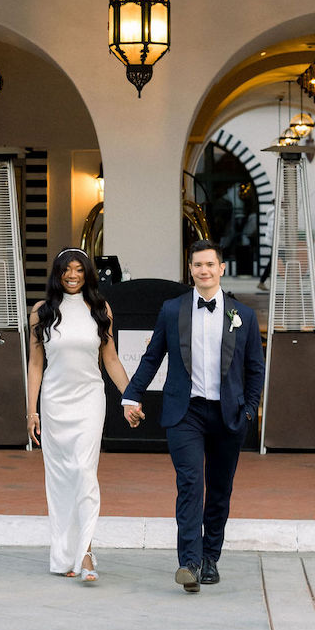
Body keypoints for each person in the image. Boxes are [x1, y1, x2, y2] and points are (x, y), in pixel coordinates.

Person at [122, 239, 265, 593]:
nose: (203, 270)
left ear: (221, 269)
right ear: (190, 269)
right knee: (190, 485)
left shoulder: (242, 315)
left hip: (228, 413)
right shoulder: (173, 310)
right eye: (197, 265)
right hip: (186, 411)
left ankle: (210, 557)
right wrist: (131, 394)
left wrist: (249, 409)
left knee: (219, 489)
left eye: (209, 264)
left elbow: (255, 368)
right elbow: (153, 356)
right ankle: (189, 561)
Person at [27, 247, 133, 582]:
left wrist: (130, 398)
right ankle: (63, 556)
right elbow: (35, 365)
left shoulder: (101, 309)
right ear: (57, 274)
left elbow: (112, 360)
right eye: (66, 270)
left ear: (87, 274)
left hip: (89, 401)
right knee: (60, 481)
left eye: (79, 270)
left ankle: (85, 552)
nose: (72, 276)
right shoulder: (41, 312)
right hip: (55, 404)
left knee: (84, 471)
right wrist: (32, 410)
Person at [256, 201, 275, 291]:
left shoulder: (274, 213)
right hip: (276, 242)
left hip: (275, 242)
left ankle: (262, 282)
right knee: (273, 262)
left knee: (272, 262)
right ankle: (261, 282)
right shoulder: (275, 214)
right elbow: (273, 230)